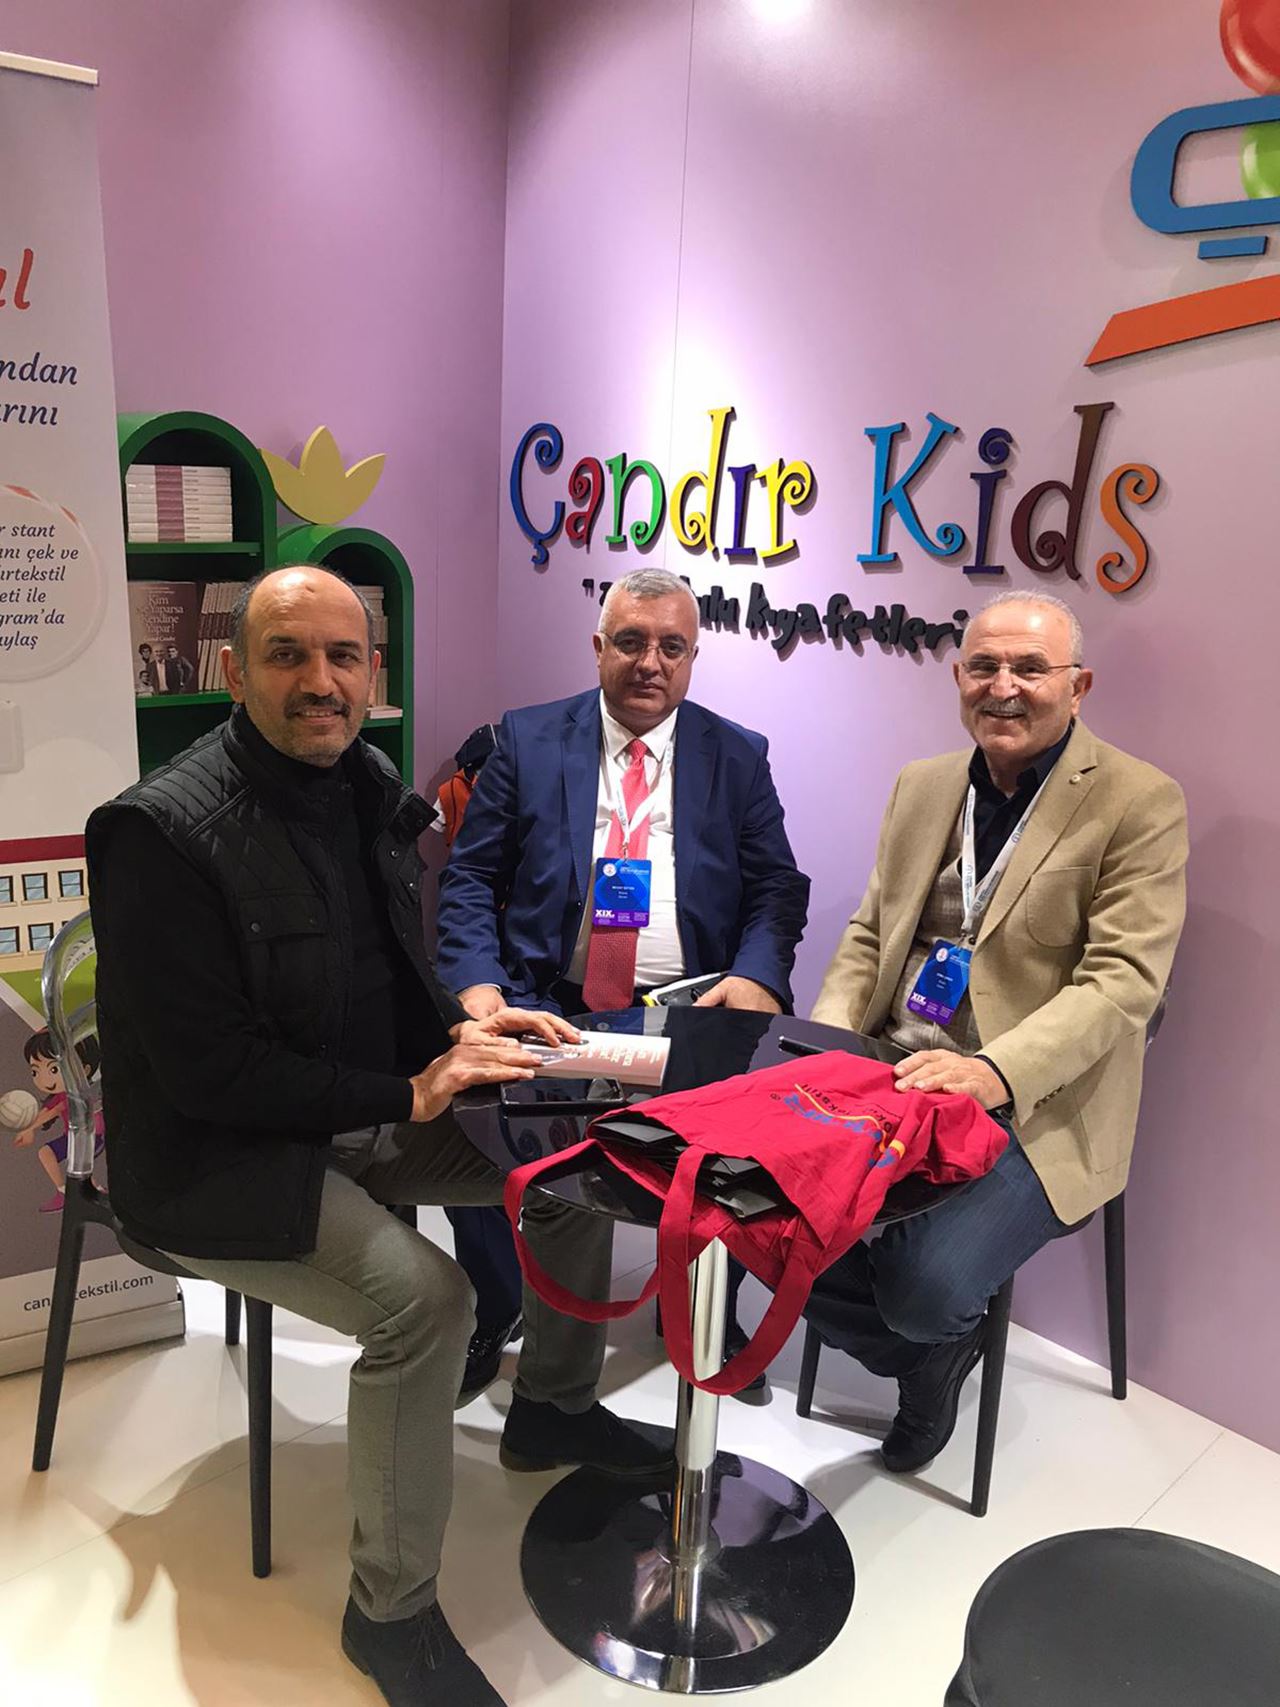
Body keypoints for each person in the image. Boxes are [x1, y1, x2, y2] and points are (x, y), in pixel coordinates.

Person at [86, 565, 671, 1707]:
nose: (321, 681)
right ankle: (389, 1615)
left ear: (372, 673)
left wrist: (471, 1028)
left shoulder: (367, 785)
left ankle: (551, 1407)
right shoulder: (157, 832)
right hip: (214, 1160)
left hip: (357, 1108)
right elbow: (208, 1075)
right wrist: (409, 1094)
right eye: (288, 655)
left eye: (343, 657)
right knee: (427, 1303)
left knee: (571, 1161)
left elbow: (389, 976)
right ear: (233, 672)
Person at [805, 590, 1187, 1474]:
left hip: (1035, 1101)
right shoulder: (923, 784)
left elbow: (1123, 981)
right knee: (752, 1211)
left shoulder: (1140, 801)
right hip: (892, 1070)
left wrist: (993, 1072)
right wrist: (826, 1042)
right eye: (984, 666)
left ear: (1078, 685)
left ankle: (926, 1343)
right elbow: (868, 934)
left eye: (1030, 668)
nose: (1003, 686)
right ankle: (927, 1359)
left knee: (921, 1286)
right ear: (958, 677)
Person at [436, 568, 811, 1397]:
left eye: (672, 646)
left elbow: (777, 887)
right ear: (599, 647)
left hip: (690, 1008)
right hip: (550, 1002)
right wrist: (478, 984)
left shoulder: (736, 755)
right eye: (632, 642)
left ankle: (702, 1311)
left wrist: (757, 977)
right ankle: (496, 1305)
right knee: (482, 1131)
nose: (651, 662)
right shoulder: (529, 739)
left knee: (725, 1161)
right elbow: (470, 878)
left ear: (693, 657)